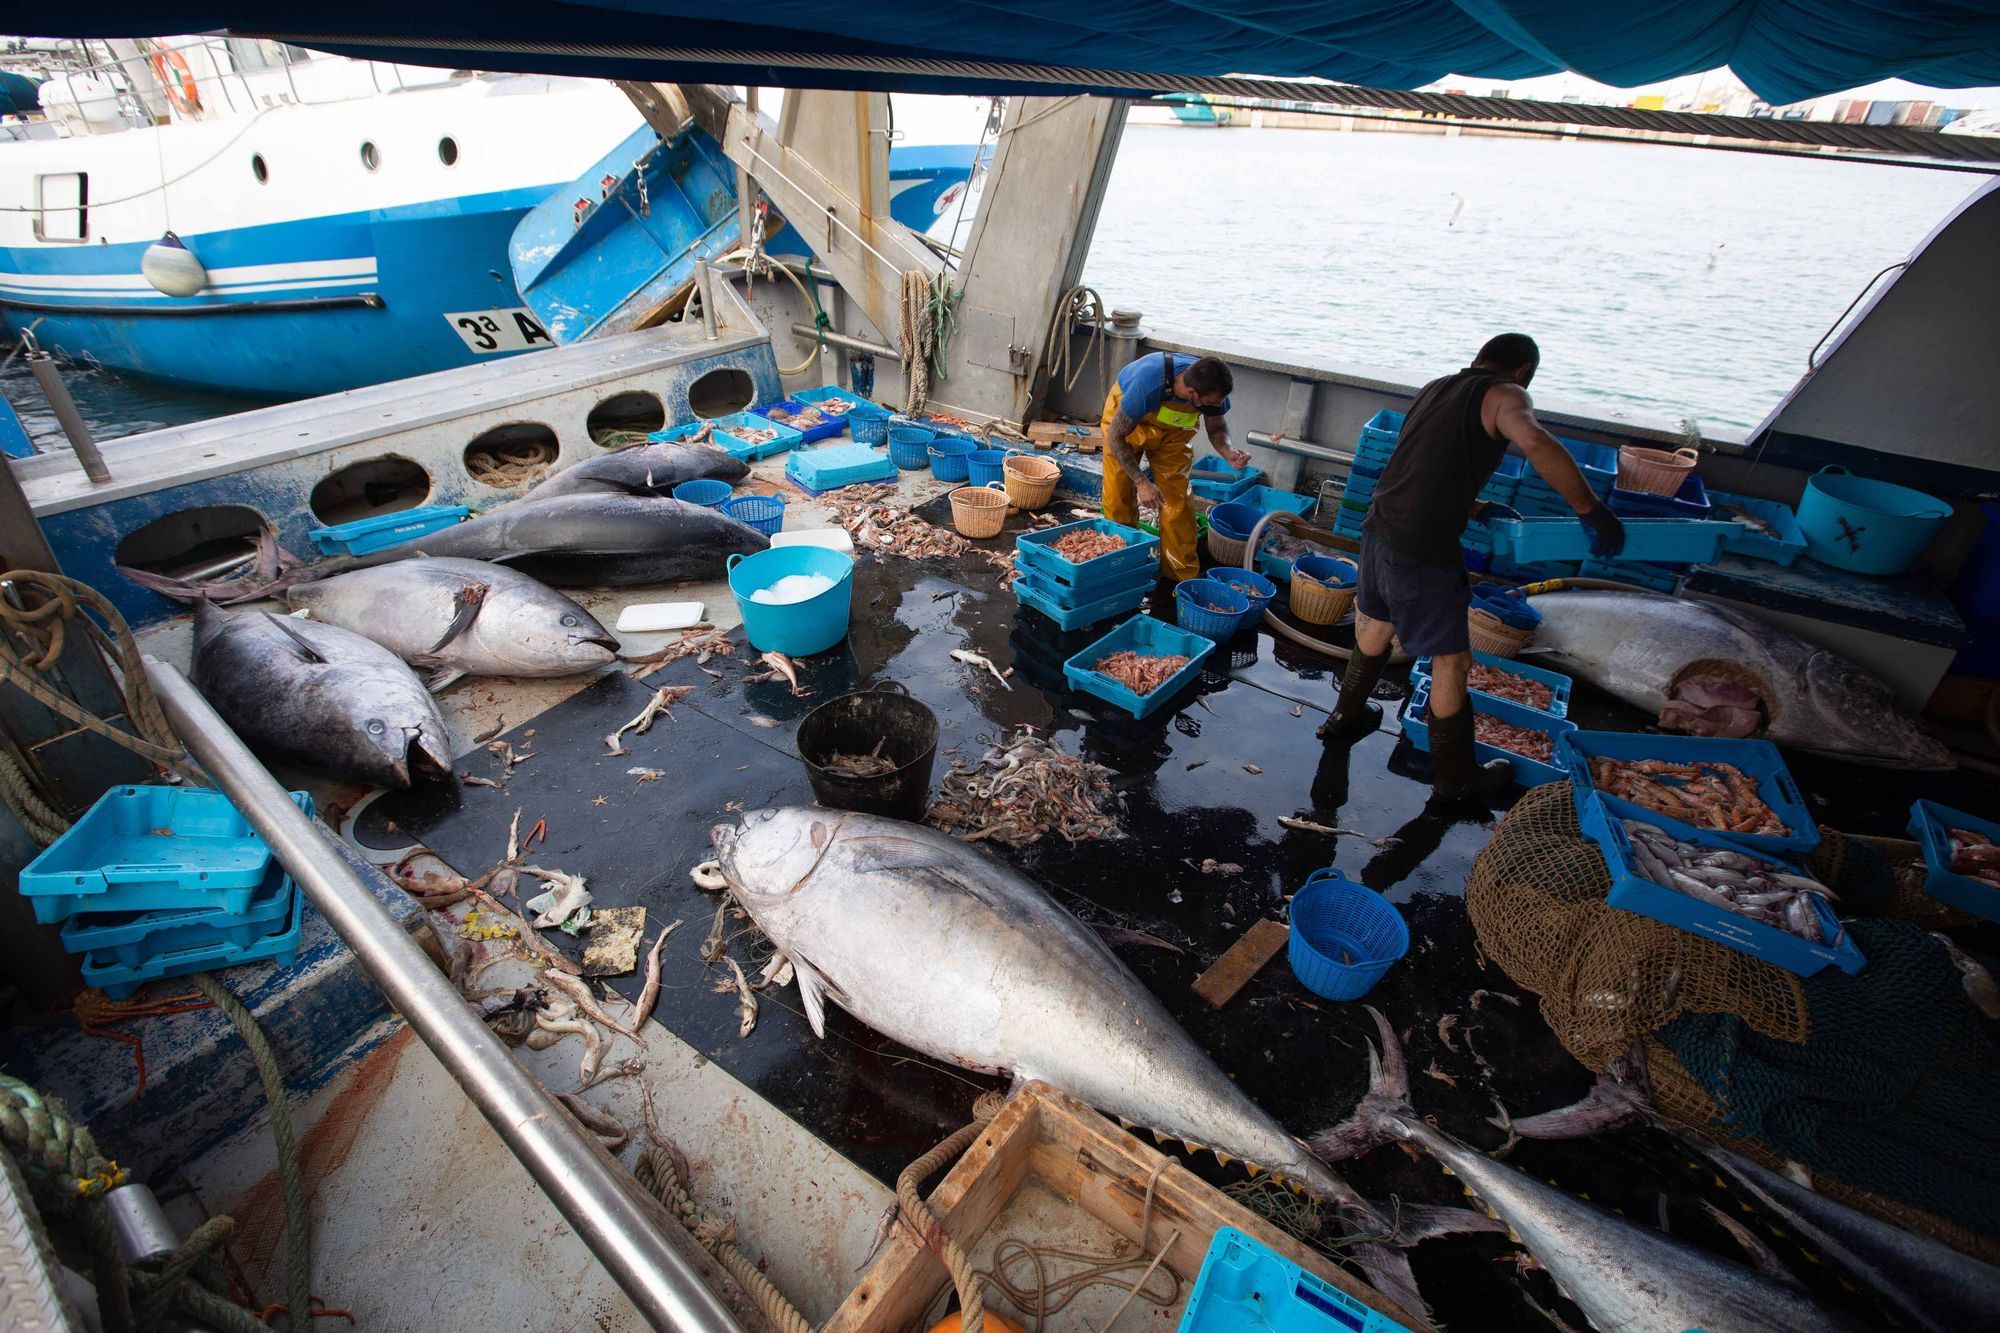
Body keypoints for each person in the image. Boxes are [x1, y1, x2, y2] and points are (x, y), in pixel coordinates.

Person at [1319, 333, 1625, 801]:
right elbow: (1537, 443)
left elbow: (1419, 466)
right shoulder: (1506, 394)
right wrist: (1590, 509)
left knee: (1377, 626)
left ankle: (1344, 718)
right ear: (1523, 370)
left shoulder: (1435, 386)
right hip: (1421, 549)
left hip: (1380, 528)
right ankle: (1455, 780)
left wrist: (1476, 505)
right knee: (1452, 661)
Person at [1099, 352, 1250, 583]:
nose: (1219, 406)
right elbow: (1116, 438)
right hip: (1127, 426)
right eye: (1212, 403)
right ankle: (1122, 565)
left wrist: (1228, 452)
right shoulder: (1145, 385)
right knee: (1118, 494)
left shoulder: (1213, 392)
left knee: (1177, 499)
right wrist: (1141, 483)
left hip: (1175, 434)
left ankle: (1181, 576)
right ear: (1193, 395)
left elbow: (1218, 429)